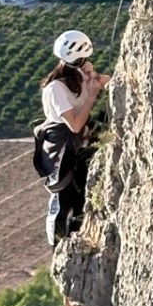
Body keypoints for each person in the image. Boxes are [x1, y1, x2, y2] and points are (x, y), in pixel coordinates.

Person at [34, 30, 109, 246]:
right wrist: (92, 95)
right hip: (63, 148)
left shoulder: (80, 77)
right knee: (63, 197)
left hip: (79, 144)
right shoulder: (55, 88)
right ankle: (58, 244)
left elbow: (110, 82)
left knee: (81, 193)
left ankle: (79, 236)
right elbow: (75, 125)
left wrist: (93, 77)